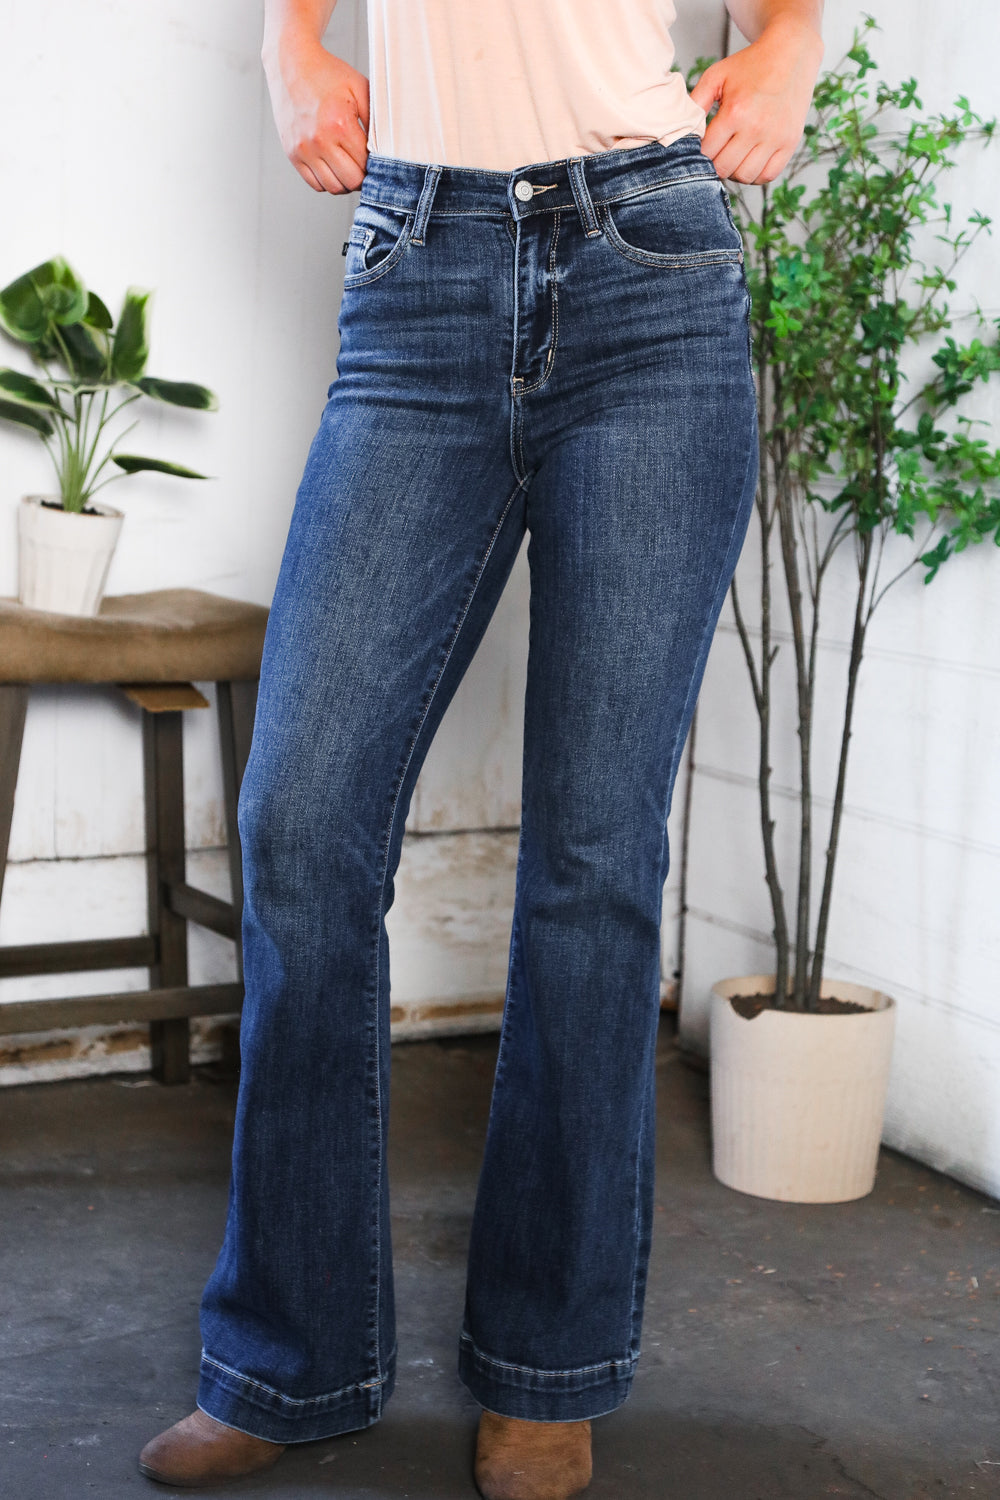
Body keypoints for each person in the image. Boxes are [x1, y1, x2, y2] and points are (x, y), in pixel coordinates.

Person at [139, 1, 823, 1495]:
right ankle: (292, 1354)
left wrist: (790, 44)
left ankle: (548, 1363)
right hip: (419, 268)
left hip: (651, 268)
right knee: (303, 822)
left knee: (592, 855)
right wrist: (290, 47)